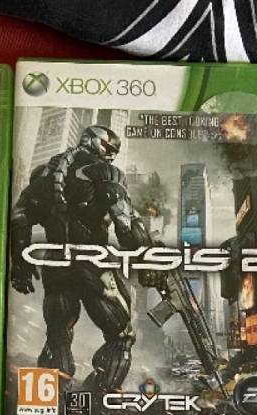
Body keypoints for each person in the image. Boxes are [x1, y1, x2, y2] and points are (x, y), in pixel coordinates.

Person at [9, 124, 153, 392]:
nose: (111, 154)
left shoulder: (43, 173)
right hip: (92, 264)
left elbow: (19, 217)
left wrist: (20, 263)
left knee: (57, 335)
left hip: (56, 266)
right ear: (92, 141)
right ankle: (100, 397)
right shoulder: (105, 172)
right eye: (108, 147)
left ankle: (50, 399)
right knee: (121, 336)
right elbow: (125, 222)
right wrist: (146, 258)